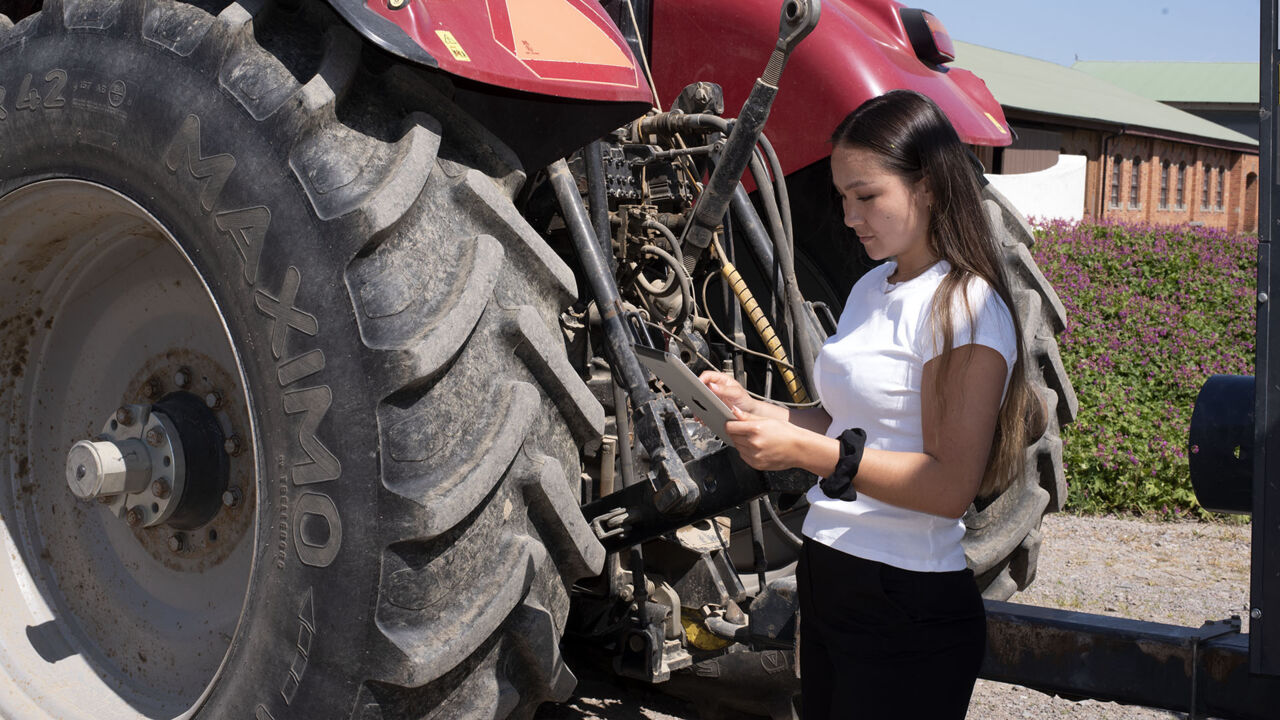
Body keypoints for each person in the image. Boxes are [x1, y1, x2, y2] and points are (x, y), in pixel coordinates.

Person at [700, 89, 1031, 719]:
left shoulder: (966, 305)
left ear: (929, 186)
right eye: (843, 197)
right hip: (834, 571)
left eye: (867, 196)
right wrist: (754, 408)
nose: (851, 215)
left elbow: (947, 486)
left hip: (904, 601)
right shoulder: (871, 286)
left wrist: (806, 452)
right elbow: (846, 422)